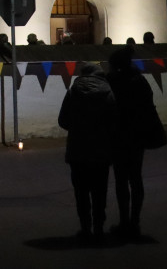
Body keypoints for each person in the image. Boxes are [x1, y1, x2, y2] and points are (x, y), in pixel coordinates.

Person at [106, 46, 162, 239]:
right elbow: (148, 103)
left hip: (118, 135)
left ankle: (124, 222)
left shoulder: (112, 81)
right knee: (135, 178)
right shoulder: (139, 80)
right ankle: (134, 223)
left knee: (121, 180)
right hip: (137, 135)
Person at [58, 62, 117, 243]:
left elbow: (63, 120)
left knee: (81, 192)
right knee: (99, 191)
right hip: (101, 149)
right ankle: (99, 227)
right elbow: (114, 120)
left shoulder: (73, 91)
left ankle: (85, 228)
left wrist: (78, 128)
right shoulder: (108, 92)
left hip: (78, 149)